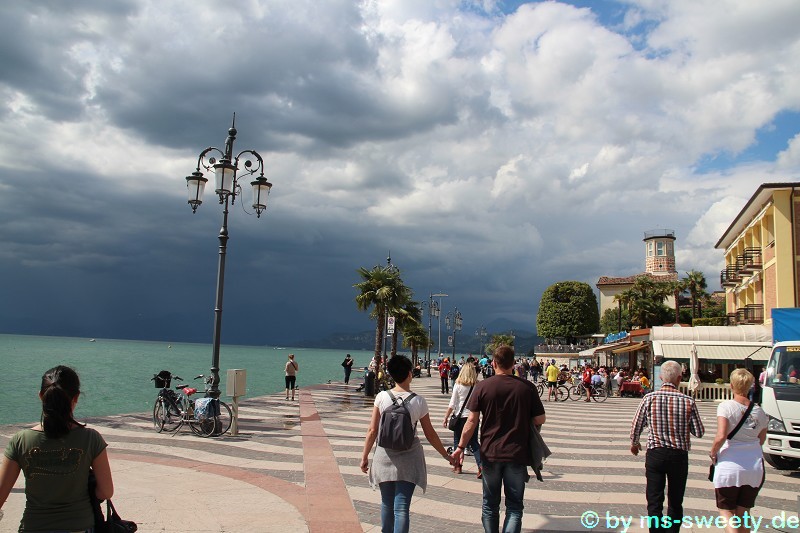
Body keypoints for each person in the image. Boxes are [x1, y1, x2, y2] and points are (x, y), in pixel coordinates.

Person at [0, 366, 114, 532]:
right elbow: (106, 492)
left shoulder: (21, 440)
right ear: (76, 397)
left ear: (41, 396)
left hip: (34, 527)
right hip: (80, 526)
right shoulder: (91, 439)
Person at [453, 345, 546, 533]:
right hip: (517, 454)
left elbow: (471, 421)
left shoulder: (483, 387)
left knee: (490, 504)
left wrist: (460, 447)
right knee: (514, 506)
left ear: (494, 363)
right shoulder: (527, 388)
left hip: (490, 453)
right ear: (513, 363)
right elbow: (540, 419)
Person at [360, 355, 453, 533]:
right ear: (410, 374)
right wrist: (446, 455)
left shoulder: (381, 397)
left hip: (384, 455)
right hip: (410, 457)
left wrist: (364, 457)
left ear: (391, 374)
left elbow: (372, 430)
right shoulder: (418, 401)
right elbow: (430, 434)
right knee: (401, 507)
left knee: (386, 503)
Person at [630, 360, 705, 533]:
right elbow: (699, 432)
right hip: (678, 455)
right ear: (679, 378)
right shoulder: (688, 401)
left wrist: (634, 443)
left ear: (661, 377)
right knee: (676, 501)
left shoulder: (649, 398)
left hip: (656, 453)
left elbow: (636, 425)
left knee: (654, 500)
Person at [709, 369, 768, 533]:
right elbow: (761, 439)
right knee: (744, 512)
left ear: (732, 385)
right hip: (754, 467)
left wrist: (713, 452)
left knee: (726, 511)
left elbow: (721, 436)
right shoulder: (760, 411)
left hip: (730, 465)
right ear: (750, 386)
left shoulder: (726, 407)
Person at [443, 363, 482, 478]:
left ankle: (458, 465)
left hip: (459, 418)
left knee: (457, 441)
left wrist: (446, 417)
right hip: (473, 417)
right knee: (474, 442)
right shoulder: (477, 385)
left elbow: (452, 403)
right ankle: (481, 466)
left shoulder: (458, 384)